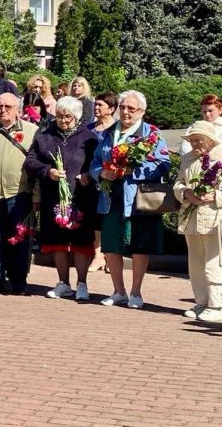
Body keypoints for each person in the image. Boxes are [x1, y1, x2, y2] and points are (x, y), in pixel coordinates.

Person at [90, 90, 170, 309]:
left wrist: (132, 171)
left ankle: (136, 292)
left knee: (138, 245)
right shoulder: (108, 133)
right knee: (111, 244)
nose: (125, 112)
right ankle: (118, 291)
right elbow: (95, 161)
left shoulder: (151, 134)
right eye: (123, 107)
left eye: (131, 109)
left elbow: (163, 163)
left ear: (142, 111)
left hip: (138, 198)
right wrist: (101, 173)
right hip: (110, 196)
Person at [24, 97, 99, 301]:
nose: (62, 120)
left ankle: (82, 283)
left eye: (67, 116)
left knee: (80, 242)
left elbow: (99, 163)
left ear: (76, 117)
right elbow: (30, 161)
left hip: (80, 197)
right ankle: (63, 283)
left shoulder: (89, 138)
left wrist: (88, 176)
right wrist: (48, 171)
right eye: (59, 116)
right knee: (57, 241)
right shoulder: (45, 136)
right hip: (53, 197)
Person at [0, 93, 38, 295]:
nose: (3, 109)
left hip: (20, 193)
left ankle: (19, 282)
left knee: (20, 240)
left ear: (18, 109)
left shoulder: (32, 131)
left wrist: (36, 196)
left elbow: (38, 166)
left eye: (8, 106)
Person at [174, 121, 222, 322]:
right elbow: (178, 183)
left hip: (215, 217)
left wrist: (216, 196)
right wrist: (186, 193)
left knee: (214, 262)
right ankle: (201, 302)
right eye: (192, 140)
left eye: (198, 140)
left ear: (210, 139)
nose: (194, 144)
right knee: (195, 263)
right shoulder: (187, 159)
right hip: (191, 217)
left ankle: (217, 305)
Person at [87, 91, 118, 272]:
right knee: (95, 219)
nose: (96, 108)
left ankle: (109, 255)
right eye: (95, 104)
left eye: (101, 105)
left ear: (111, 109)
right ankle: (97, 255)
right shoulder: (89, 129)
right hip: (94, 178)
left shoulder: (117, 129)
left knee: (108, 218)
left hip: (112, 180)